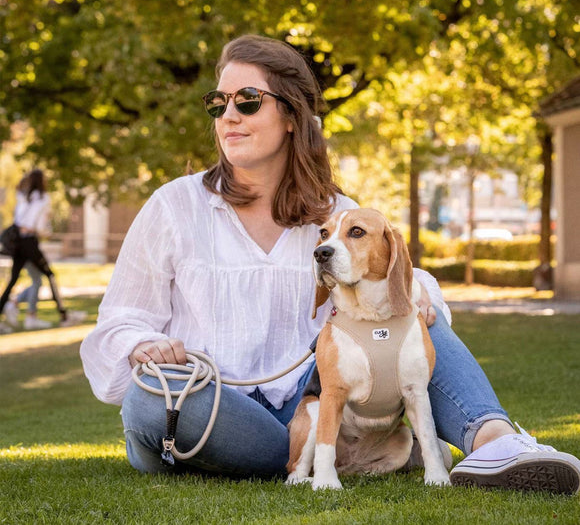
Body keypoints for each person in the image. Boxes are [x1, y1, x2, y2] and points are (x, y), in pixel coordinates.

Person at [80, 35, 580, 494]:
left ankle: (495, 444)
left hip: (315, 398)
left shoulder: (333, 213)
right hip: (217, 403)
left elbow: (391, 269)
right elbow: (118, 321)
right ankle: (342, 453)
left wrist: (420, 296)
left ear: (292, 115)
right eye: (218, 103)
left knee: (409, 302)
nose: (228, 115)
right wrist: (143, 345)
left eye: (247, 101)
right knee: (148, 401)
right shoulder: (173, 206)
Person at [0, 170, 81, 328]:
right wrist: (44, 231)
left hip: (18, 241)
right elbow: (36, 226)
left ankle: (13, 309)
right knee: (50, 275)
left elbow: (19, 219)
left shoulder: (23, 196)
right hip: (30, 241)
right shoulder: (43, 198)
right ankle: (64, 315)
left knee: (14, 279)